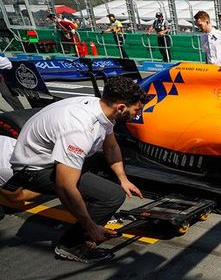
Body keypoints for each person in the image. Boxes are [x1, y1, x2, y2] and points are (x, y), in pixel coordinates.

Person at [4, 76, 148, 263]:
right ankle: (71, 246)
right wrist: (90, 226)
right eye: (136, 110)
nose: (137, 114)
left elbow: (110, 147)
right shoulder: (80, 128)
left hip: (48, 155)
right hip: (34, 168)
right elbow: (65, 186)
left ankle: (94, 212)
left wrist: (123, 178)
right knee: (112, 196)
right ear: (120, 107)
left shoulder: (101, 108)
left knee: (108, 172)